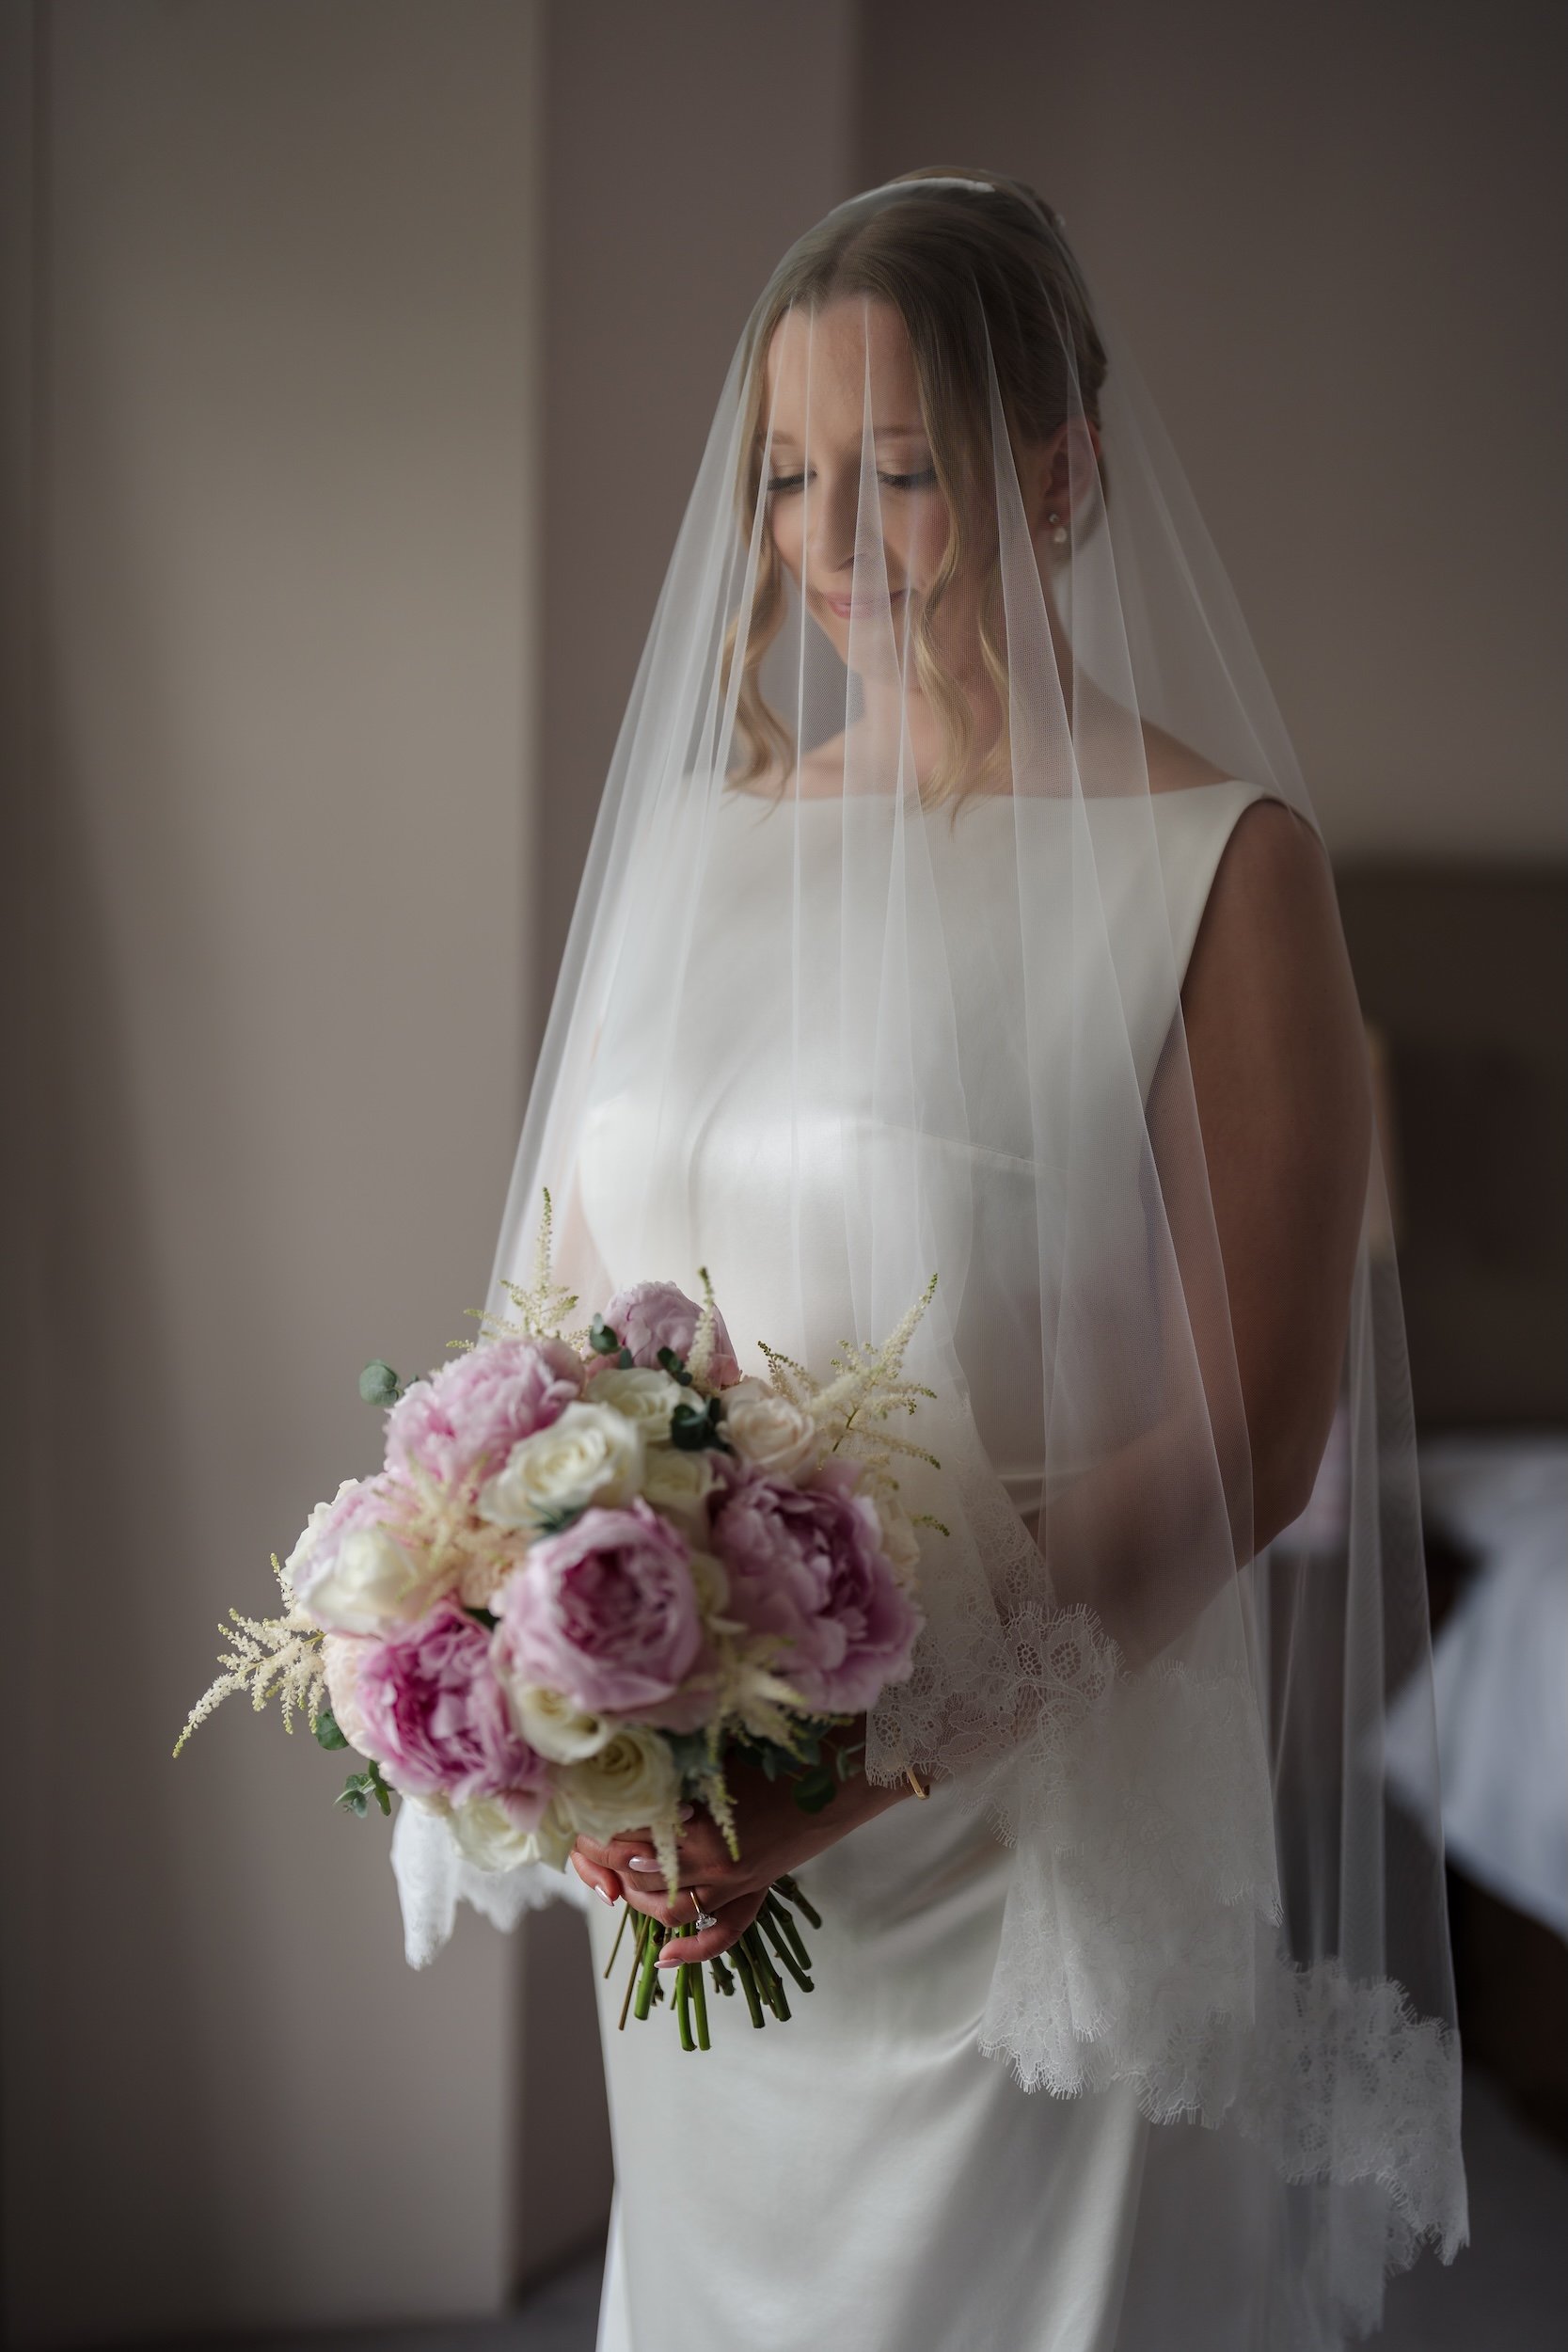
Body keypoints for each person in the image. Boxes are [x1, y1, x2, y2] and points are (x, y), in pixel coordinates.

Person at [397, 169, 1466, 2349]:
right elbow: (560, 1337)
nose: (831, 540)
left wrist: (851, 1769)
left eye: (900, 471)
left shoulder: (1217, 871)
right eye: (791, 475)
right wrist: (544, 1652)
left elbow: (1252, 1443)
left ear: (1057, 471)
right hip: (700, 1853)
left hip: (1014, 1874)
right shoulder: (704, 846)